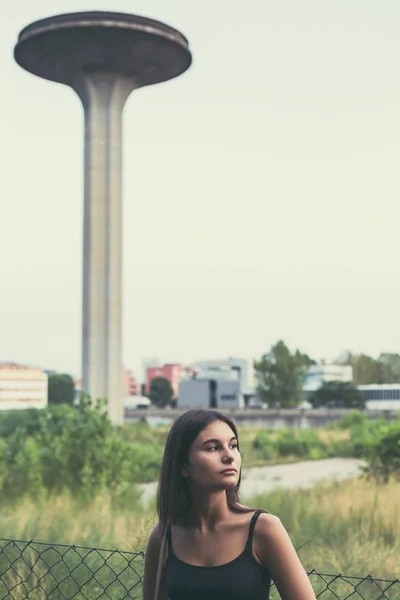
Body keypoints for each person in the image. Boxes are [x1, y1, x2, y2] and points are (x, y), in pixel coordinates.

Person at [143, 408, 316, 600]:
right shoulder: (164, 536)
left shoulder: (264, 529)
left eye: (233, 446)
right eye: (213, 448)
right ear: (184, 466)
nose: (229, 456)